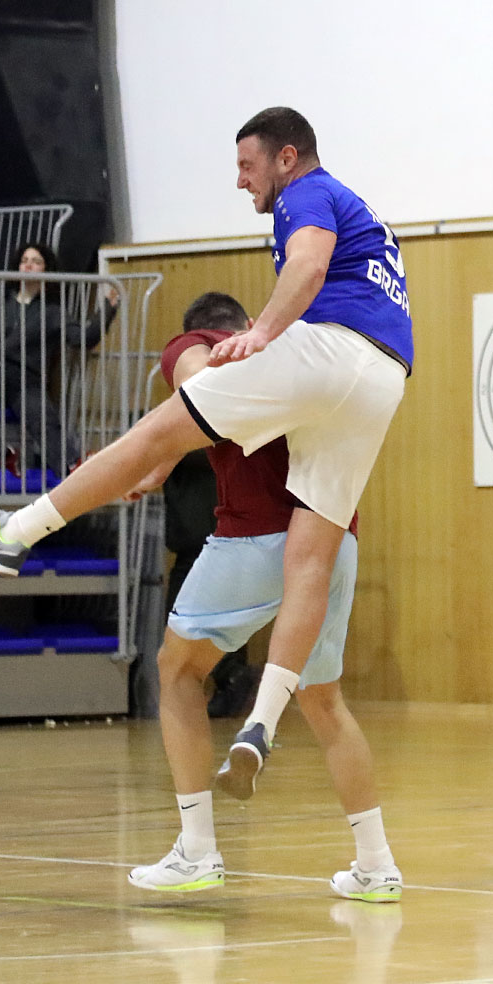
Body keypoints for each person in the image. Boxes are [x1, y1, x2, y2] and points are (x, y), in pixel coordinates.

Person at [0, 107, 412, 900]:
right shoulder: (372, 231)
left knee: (157, 437)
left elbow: (304, 268)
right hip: (386, 377)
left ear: (286, 157)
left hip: (320, 369)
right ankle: (274, 737)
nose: (241, 179)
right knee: (314, 569)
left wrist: (262, 332)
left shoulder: (309, 194)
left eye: (248, 165)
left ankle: (16, 531)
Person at [127, 292, 399, 901]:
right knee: (323, 699)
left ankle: (196, 849)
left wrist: (147, 454)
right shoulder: (305, 352)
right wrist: (163, 462)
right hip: (334, 539)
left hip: (254, 538)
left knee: (177, 670)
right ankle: (376, 864)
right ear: (249, 323)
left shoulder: (191, 348)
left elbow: (198, 395)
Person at [0, 241, 113, 476]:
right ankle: (0, 457)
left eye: (36, 261)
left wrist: (107, 310)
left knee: (42, 417)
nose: (28, 265)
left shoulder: (53, 311)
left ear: (46, 269)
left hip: (26, 380)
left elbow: (83, 338)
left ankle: (71, 468)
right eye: (24, 261)